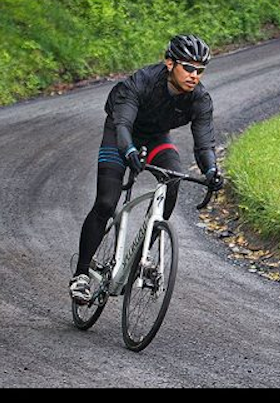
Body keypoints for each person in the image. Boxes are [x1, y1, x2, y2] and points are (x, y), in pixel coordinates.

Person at [69, 34, 224, 301]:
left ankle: (143, 255)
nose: (194, 75)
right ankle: (81, 275)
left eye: (200, 70)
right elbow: (122, 125)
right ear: (169, 63)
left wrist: (211, 170)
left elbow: (204, 144)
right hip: (121, 132)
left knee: (173, 180)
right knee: (106, 203)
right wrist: (128, 150)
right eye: (188, 67)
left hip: (156, 137)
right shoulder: (142, 82)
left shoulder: (200, 99)